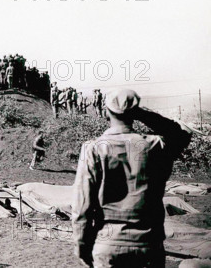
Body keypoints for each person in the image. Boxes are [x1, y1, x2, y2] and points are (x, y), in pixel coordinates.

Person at [72, 89, 192, 268]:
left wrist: (82, 246)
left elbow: (82, 208)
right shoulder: (154, 146)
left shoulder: (93, 149)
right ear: (135, 113)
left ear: (106, 111)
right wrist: (142, 114)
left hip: (108, 244)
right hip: (148, 244)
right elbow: (181, 133)